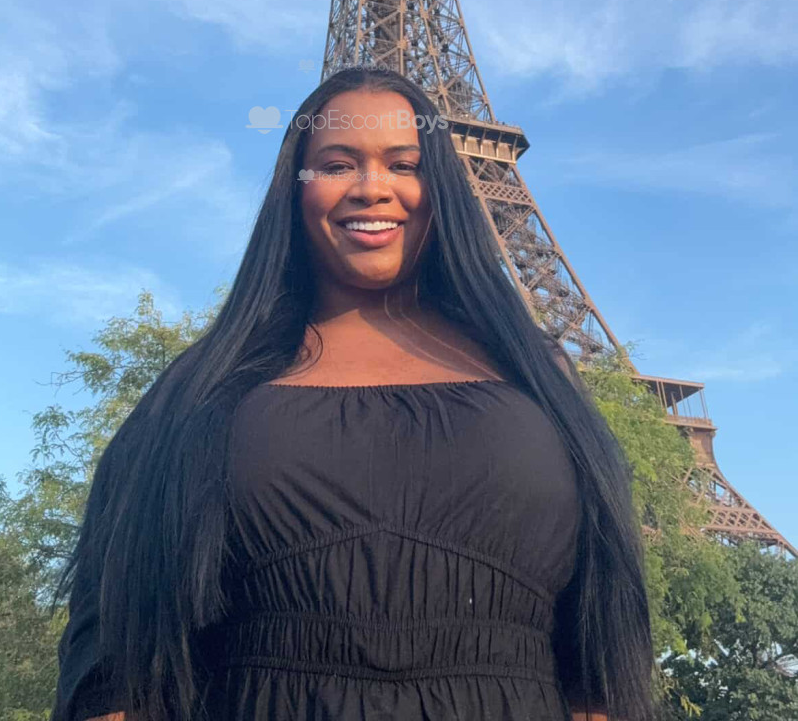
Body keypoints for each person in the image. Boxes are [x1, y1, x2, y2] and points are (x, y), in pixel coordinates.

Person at [49, 66, 656, 721]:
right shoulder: (207, 384)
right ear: (296, 187)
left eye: (404, 164)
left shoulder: (537, 373)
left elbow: (600, 642)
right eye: (338, 165)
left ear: (442, 186)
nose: (372, 187)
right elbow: (115, 649)